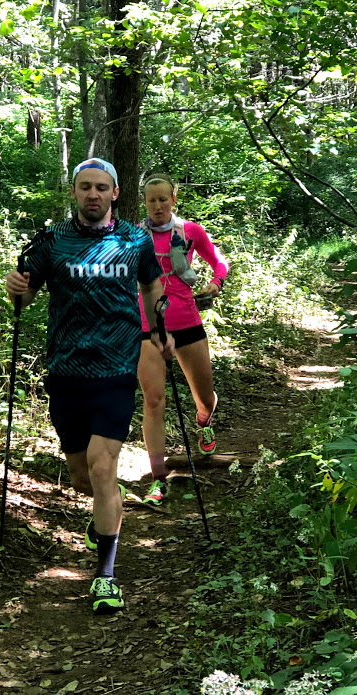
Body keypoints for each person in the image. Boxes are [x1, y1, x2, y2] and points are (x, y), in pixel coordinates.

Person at [6, 158, 174, 614]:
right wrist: (15, 285)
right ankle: (104, 520)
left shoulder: (135, 239)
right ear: (75, 192)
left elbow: (151, 284)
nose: (93, 194)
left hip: (116, 368)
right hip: (66, 370)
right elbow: (26, 293)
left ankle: (105, 577)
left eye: (102, 187)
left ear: (115, 192)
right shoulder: (51, 241)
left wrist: (158, 328)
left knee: (103, 469)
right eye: (86, 187)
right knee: (82, 477)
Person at [137, 173, 229, 506]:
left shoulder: (190, 231)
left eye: (163, 199)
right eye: (151, 200)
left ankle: (204, 420)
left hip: (187, 321)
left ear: (174, 199)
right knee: (153, 402)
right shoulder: (135, 236)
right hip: (148, 325)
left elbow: (219, 261)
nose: (158, 205)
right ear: (145, 203)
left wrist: (216, 282)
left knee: (204, 397)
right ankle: (158, 479)